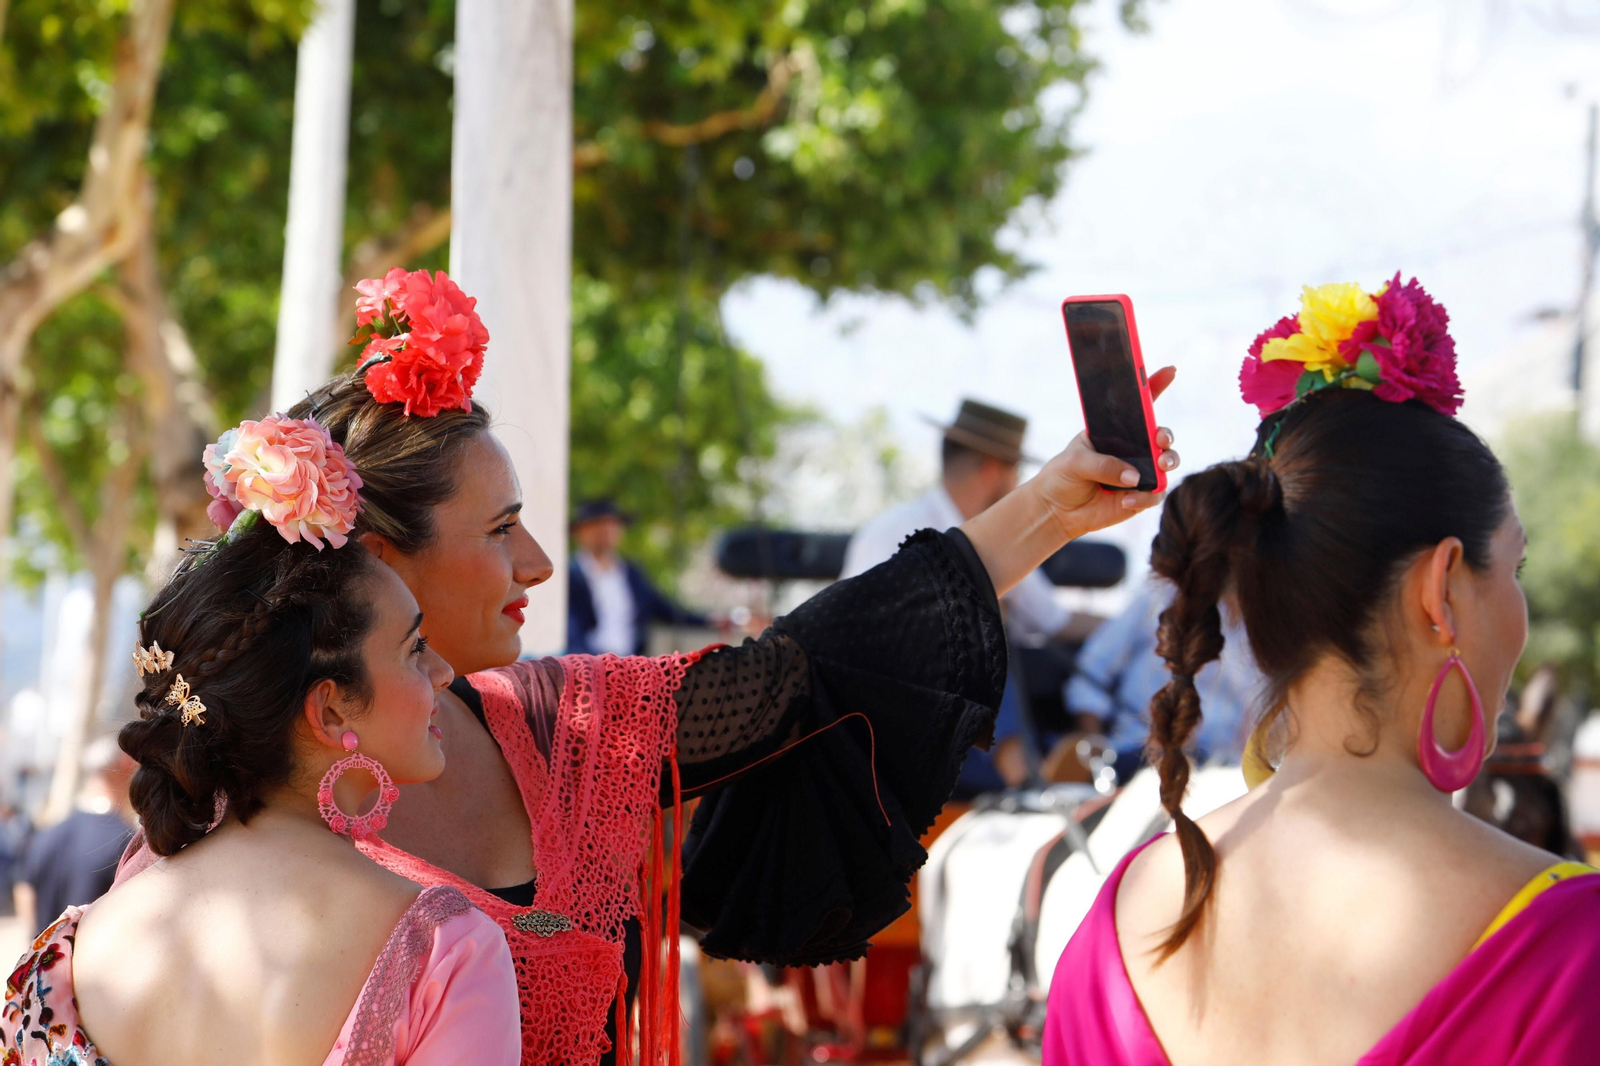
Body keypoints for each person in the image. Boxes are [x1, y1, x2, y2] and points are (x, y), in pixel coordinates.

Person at [113, 267, 1180, 1065]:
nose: (536, 563)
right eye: (501, 530)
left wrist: (1050, 504)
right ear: (383, 557)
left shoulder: (564, 723)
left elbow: (803, 667)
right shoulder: (199, 836)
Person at [1044, 276, 1600, 1065]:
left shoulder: (1112, 929)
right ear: (1440, 589)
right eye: (1514, 567)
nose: (1520, 608)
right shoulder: (1570, 949)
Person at [5, 413, 519, 1066]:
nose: (443, 673)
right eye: (414, 649)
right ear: (329, 712)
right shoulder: (445, 953)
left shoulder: (66, 958)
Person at [841, 398, 1096, 792]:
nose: (1016, 486)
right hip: (896, 720)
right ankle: (1025, 776)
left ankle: (1050, 765)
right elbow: (859, 642)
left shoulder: (1002, 538)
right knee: (975, 619)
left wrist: (1144, 623)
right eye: (1015, 473)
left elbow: (1054, 620)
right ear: (994, 469)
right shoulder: (891, 531)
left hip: (964, 733)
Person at [1064, 578, 1261, 782]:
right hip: (1140, 759)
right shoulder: (1158, 597)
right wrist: (1095, 749)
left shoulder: (1272, 624)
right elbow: (1092, 669)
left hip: (1226, 770)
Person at [11, 735, 135, 938]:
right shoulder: (127, 841)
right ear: (124, 768)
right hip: (93, 964)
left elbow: (24, 888)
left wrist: (35, 945)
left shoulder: (46, 834)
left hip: (46, 961)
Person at [567, 497, 713, 656]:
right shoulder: (570, 576)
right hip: (586, 667)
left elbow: (667, 611)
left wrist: (711, 621)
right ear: (579, 532)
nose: (606, 530)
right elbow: (572, 630)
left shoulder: (631, 574)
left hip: (630, 667)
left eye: (612, 524)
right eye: (597, 524)